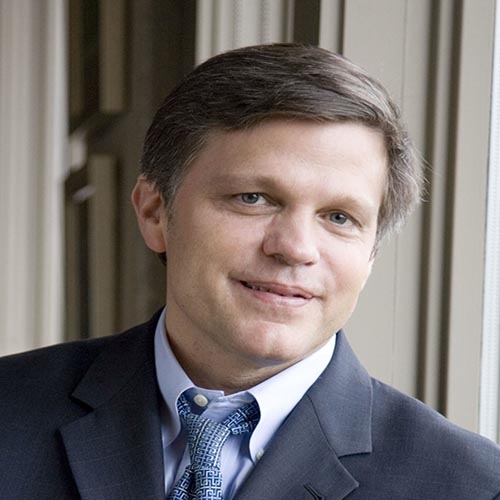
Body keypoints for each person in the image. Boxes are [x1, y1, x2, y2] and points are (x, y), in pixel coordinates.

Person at [0, 43, 499, 500]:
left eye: (339, 217)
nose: (295, 249)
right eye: (253, 198)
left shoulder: (471, 486)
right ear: (154, 213)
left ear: (371, 253)